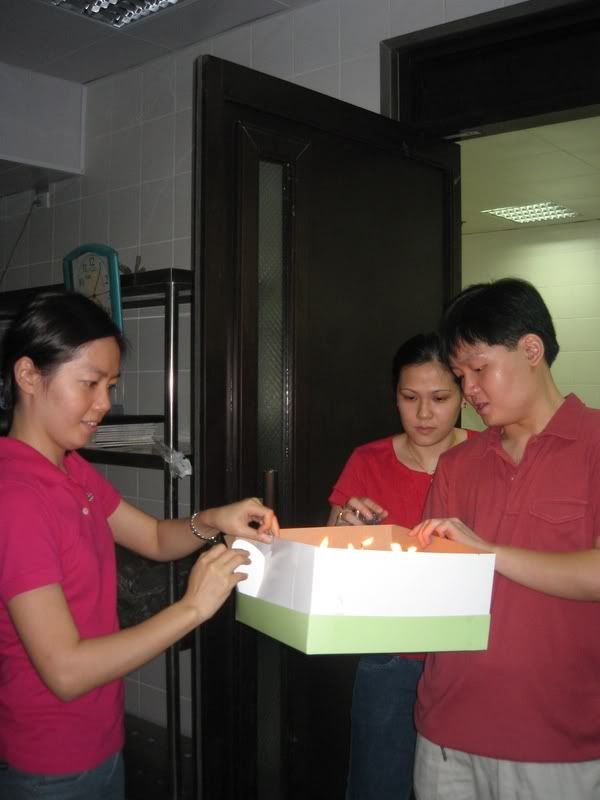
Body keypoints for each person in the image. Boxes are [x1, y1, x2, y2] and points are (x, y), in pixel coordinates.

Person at [0, 291, 279, 800]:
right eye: (89, 383)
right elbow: (65, 671)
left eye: (109, 386)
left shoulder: (68, 468)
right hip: (50, 764)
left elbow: (152, 537)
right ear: (28, 375)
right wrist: (193, 608)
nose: (104, 403)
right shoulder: (16, 496)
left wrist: (214, 519)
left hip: (98, 741)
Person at [410, 278, 600, 800]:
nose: (469, 389)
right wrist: (374, 549)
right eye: (460, 375)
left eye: (479, 369)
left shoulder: (594, 445)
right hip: (446, 733)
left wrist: (487, 552)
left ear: (531, 350)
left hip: (559, 742)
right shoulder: (457, 464)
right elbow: (432, 587)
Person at [327, 333, 475, 800]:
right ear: (395, 396)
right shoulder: (368, 460)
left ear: (464, 396)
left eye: (440, 398)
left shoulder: (487, 456)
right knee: (376, 786)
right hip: (389, 655)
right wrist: (346, 525)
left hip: (469, 656)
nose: (424, 414)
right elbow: (329, 555)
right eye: (410, 398)